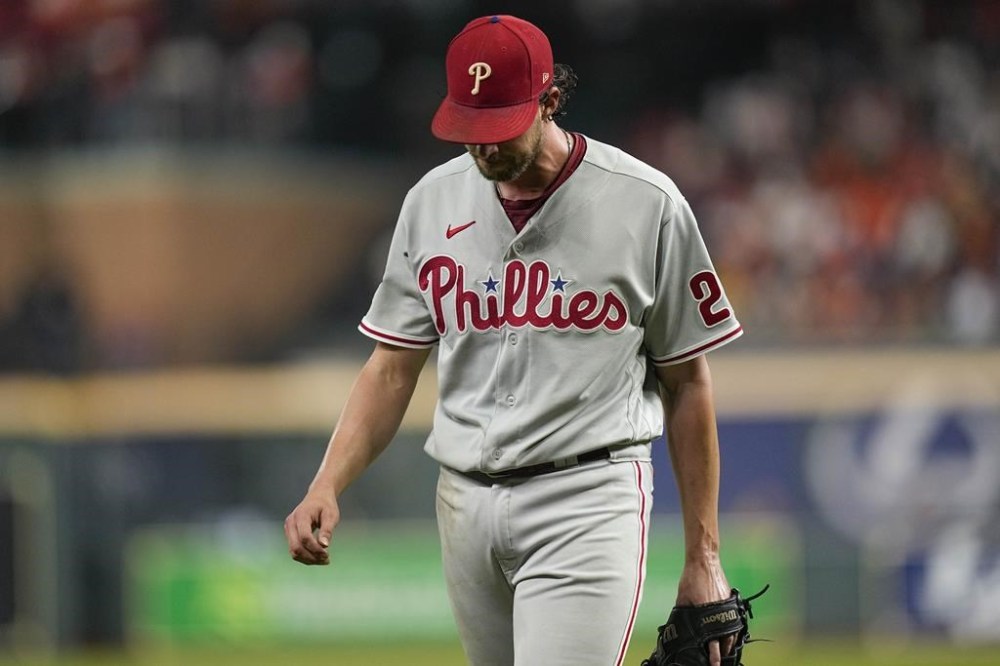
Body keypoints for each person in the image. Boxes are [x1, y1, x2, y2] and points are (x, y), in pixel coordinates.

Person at [285, 14, 743, 666]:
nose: (484, 149)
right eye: (470, 130)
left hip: (586, 498)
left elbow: (687, 382)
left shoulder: (646, 204)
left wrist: (705, 557)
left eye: (499, 128)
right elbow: (391, 369)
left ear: (550, 99)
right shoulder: (431, 201)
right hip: (463, 502)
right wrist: (327, 483)